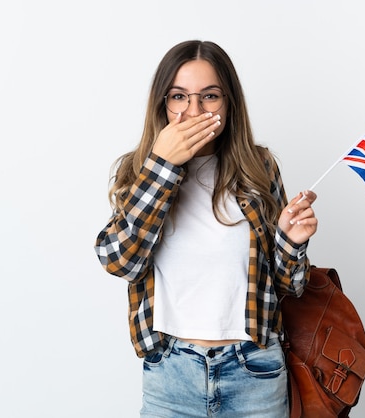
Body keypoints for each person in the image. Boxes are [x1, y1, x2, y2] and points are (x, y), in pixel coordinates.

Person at [94, 40, 318, 417]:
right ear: (163, 104)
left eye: (209, 96)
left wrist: (291, 244)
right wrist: (163, 165)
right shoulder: (138, 171)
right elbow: (120, 262)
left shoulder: (259, 170)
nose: (193, 111)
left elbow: (288, 287)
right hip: (171, 375)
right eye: (179, 97)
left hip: (254, 373)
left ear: (229, 104)